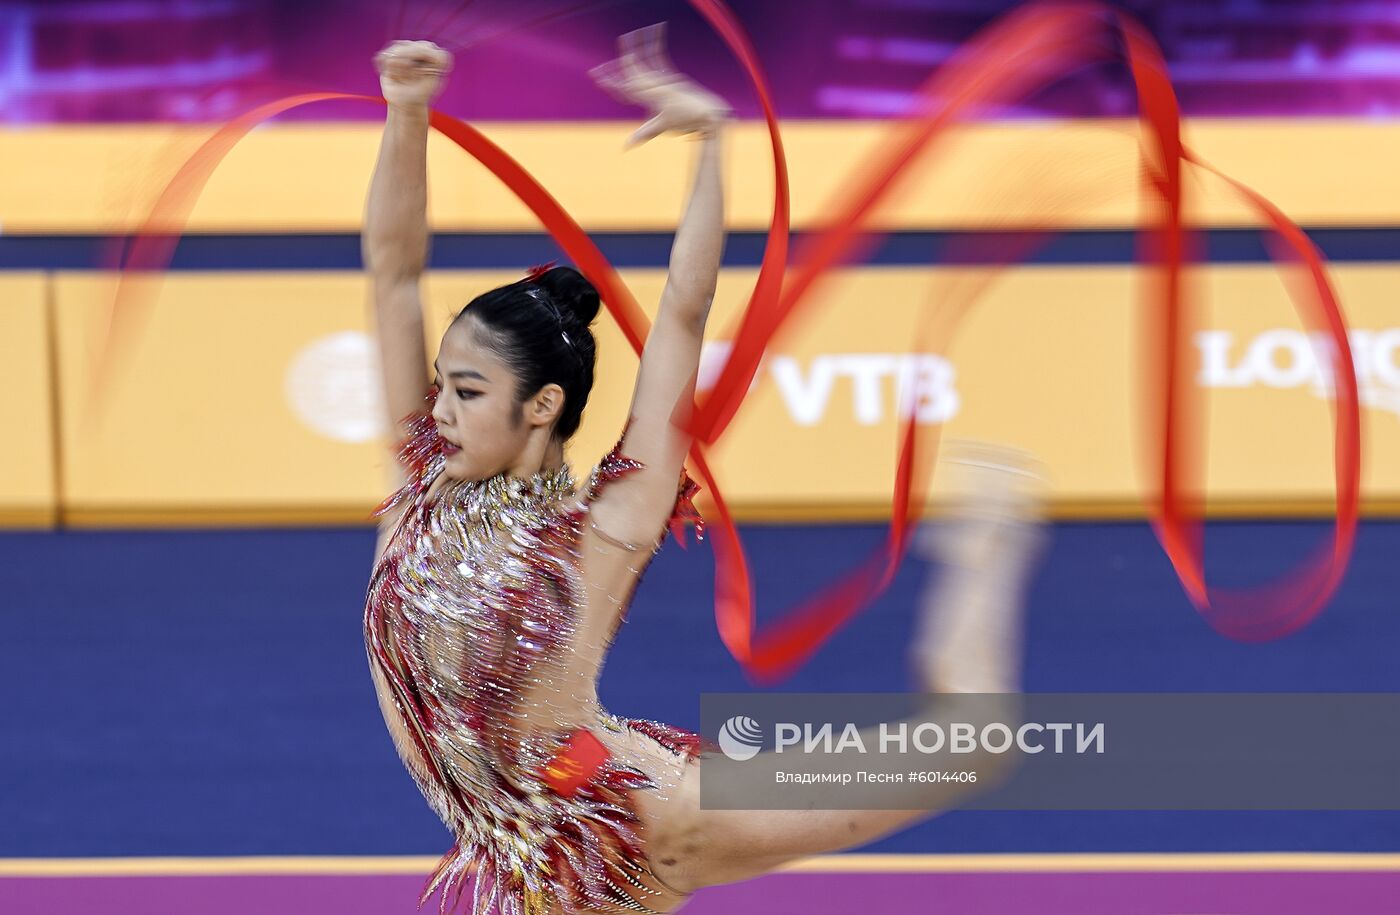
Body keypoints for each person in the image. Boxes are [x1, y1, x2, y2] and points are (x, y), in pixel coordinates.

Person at [361, 29, 1047, 915]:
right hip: (511, 853)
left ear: (540, 406)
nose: (438, 408)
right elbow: (392, 273)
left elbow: (684, 314)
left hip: (630, 830)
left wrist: (711, 144)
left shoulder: (607, 519)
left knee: (972, 742)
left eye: (464, 390)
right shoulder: (424, 480)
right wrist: (407, 111)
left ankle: (987, 547)